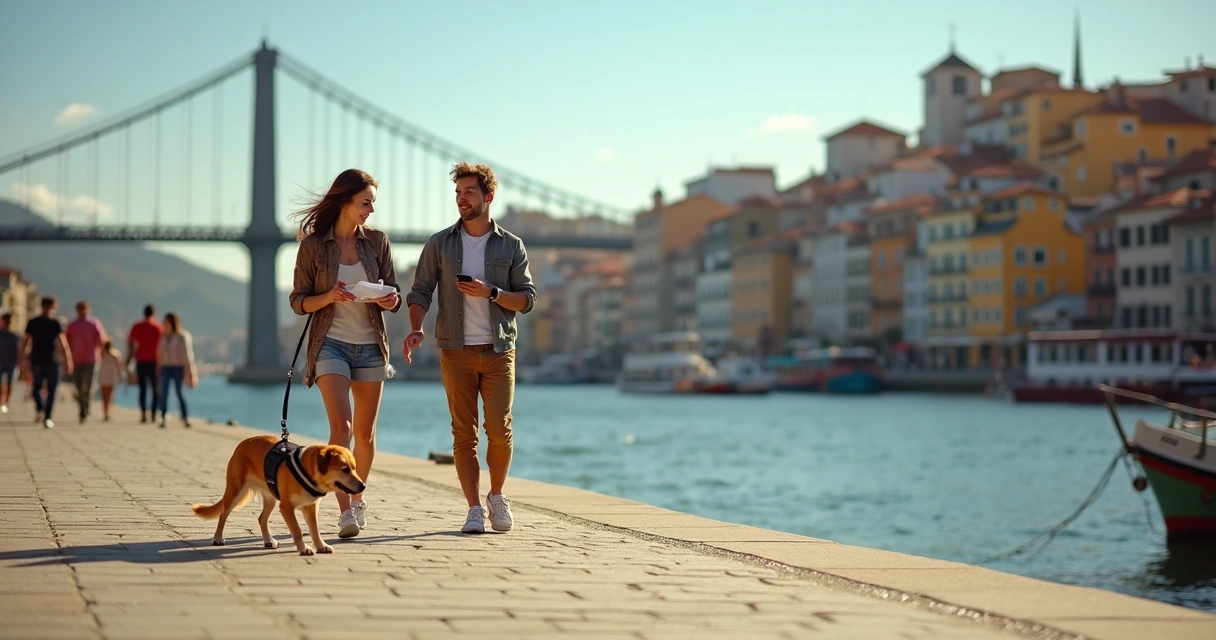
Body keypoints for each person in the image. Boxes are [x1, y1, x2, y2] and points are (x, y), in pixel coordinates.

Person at [403, 163, 537, 534]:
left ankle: (497, 497)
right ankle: (474, 509)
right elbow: (420, 291)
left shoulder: (511, 245)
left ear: (488, 197)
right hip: (455, 350)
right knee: (464, 434)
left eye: (469, 193)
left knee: (499, 429)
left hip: (498, 350)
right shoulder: (440, 243)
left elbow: (527, 300)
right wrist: (416, 328)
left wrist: (490, 291)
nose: (461, 199)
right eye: (458, 193)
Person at [289, 168, 401, 539]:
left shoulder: (378, 242)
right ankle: (345, 511)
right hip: (330, 343)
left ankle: (356, 502)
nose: (371, 209)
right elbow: (299, 302)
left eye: (372, 203)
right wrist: (330, 296)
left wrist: (390, 298)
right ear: (345, 202)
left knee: (366, 435)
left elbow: (393, 294)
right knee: (344, 427)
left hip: (371, 344)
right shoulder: (313, 246)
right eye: (365, 202)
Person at [21, 296, 74, 429]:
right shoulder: (33, 322)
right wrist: (22, 357)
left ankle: (48, 416)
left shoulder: (55, 323)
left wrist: (68, 360)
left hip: (52, 360)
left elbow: (63, 343)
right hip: (37, 359)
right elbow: (26, 341)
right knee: (36, 388)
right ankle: (41, 408)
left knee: (52, 389)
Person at [65, 300, 107, 423]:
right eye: (81, 309)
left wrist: (101, 351)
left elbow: (101, 339)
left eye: (85, 309)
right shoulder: (72, 325)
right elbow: (66, 342)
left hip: (91, 359)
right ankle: (82, 407)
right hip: (76, 359)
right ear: (77, 310)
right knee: (78, 385)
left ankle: (85, 410)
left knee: (87, 386)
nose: (83, 311)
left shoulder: (94, 323)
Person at [156, 312, 198, 428]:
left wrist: (191, 373)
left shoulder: (182, 336)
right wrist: (158, 368)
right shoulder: (164, 336)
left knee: (180, 393)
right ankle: (163, 417)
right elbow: (160, 353)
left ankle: (185, 417)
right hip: (165, 367)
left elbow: (187, 355)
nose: (163, 323)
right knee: (163, 392)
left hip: (178, 367)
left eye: (166, 321)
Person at [127, 304, 163, 423]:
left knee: (142, 389)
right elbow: (162, 347)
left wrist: (129, 357)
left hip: (141, 360)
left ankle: (143, 414)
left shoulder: (137, 326)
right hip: (155, 361)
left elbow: (131, 344)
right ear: (154, 313)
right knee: (155, 389)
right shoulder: (158, 327)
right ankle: (153, 414)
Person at [97, 340, 125, 422]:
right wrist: (120, 376)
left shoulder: (102, 355)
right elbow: (119, 367)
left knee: (104, 397)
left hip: (103, 378)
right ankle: (107, 413)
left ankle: (105, 412)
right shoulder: (114, 355)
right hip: (111, 378)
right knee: (109, 397)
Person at [0, 311, 18, 414]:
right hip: (1, 362)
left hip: (12, 362)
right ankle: (1, 402)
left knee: (10, 383)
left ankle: (6, 403)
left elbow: (19, 350)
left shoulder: (14, 336)